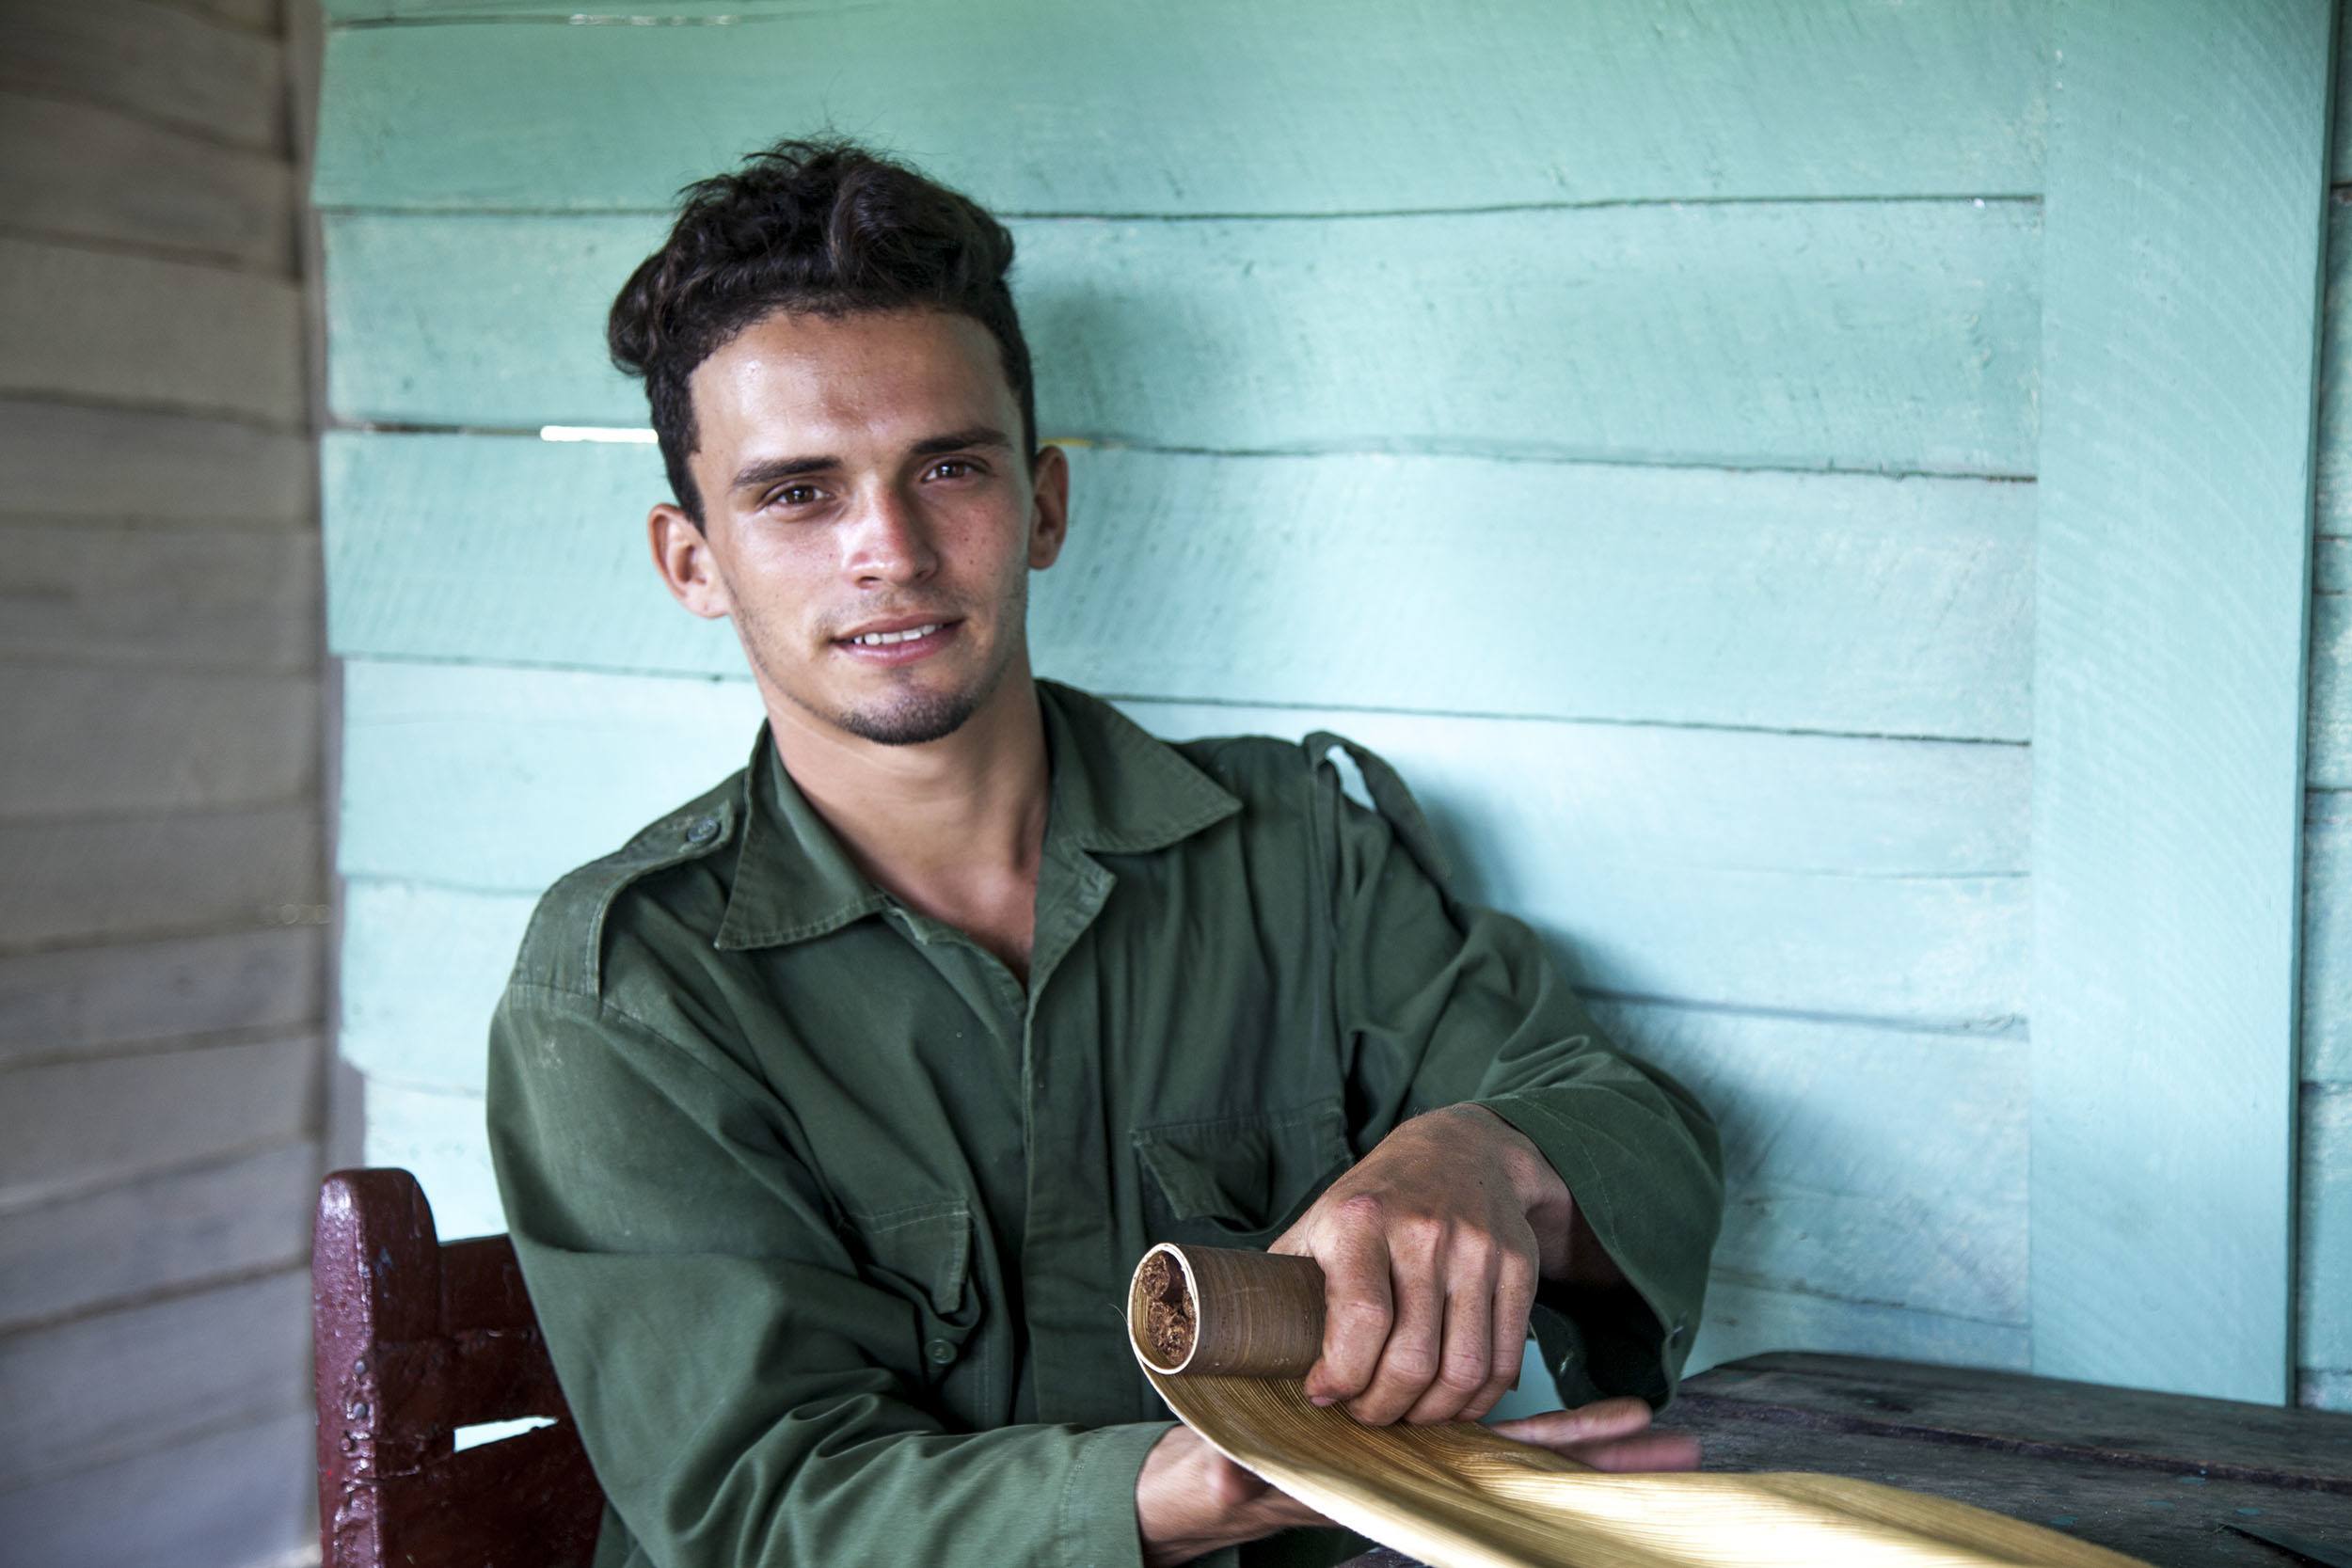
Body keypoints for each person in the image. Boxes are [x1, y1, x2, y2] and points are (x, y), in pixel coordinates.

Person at [485, 136, 1725, 1568]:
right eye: (798, 493)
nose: (886, 548)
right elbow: (757, 1505)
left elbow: (1629, 1123)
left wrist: (1485, 1156)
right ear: (693, 561)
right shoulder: (628, 984)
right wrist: (1181, 1494)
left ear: (1044, 503)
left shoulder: (1294, 848)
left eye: (946, 466)